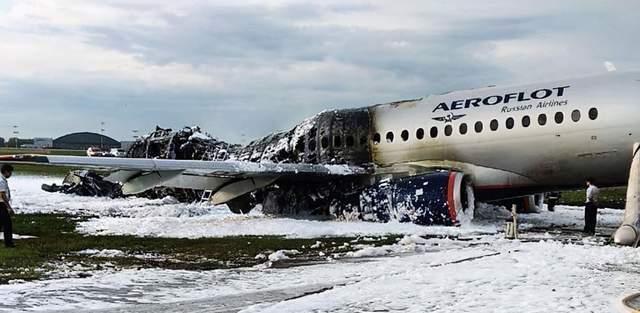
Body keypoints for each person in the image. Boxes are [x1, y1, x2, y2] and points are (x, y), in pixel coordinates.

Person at [0, 164, 15, 248]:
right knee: (7, 224)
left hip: (2, 204)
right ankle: (8, 243)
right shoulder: (1, 181)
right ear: (6, 172)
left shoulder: (2, 179)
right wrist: (9, 207)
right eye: (10, 172)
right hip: (2, 204)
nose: (11, 174)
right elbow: (2, 195)